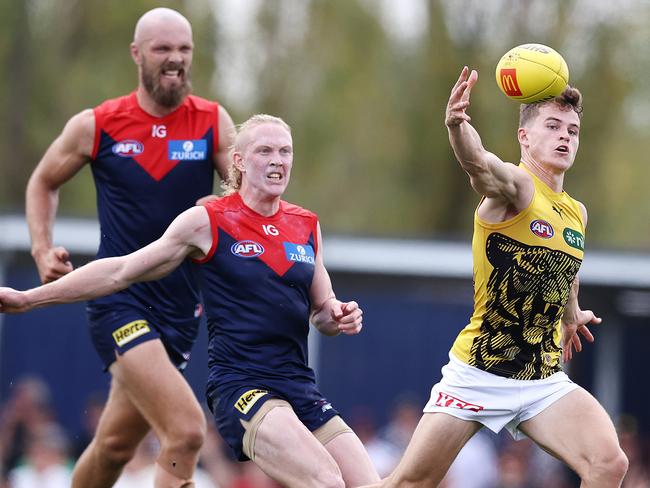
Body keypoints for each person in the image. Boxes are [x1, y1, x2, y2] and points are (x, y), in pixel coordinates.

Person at [1, 114, 380, 488]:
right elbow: (120, 270)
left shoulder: (305, 224)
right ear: (239, 161)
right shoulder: (208, 221)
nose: (277, 160)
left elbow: (323, 310)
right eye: (264, 150)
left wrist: (339, 315)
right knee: (326, 481)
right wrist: (28, 299)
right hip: (244, 388)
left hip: (300, 387)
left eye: (285, 151)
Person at [365, 67, 629, 487]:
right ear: (525, 137)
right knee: (409, 482)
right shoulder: (518, 186)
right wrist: (457, 127)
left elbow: (565, 266)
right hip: (479, 372)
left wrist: (571, 312)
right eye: (553, 126)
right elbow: (479, 166)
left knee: (609, 463)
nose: (565, 137)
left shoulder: (576, 211)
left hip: (541, 377)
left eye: (573, 130)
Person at [24, 7, 235, 488]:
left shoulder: (212, 122)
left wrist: (222, 203)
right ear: (137, 54)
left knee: (114, 447)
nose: (175, 58)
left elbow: (249, 199)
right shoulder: (97, 125)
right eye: (163, 48)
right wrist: (41, 248)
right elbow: (42, 182)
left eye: (184, 49)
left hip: (182, 309)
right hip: (118, 299)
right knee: (185, 429)